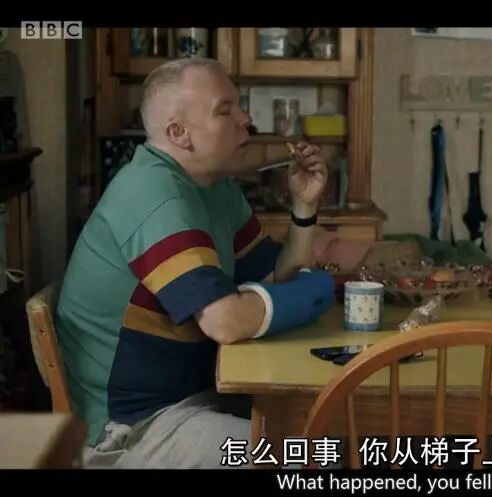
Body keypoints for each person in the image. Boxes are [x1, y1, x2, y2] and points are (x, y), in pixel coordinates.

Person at [55, 58, 335, 469]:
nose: (245, 119)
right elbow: (226, 321)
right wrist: (317, 290)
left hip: (198, 396)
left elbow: (275, 278)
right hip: (134, 428)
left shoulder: (215, 187)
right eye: (225, 110)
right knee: (308, 457)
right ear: (178, 133)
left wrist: (304, 209)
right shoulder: (153, 193)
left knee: (328, 428)